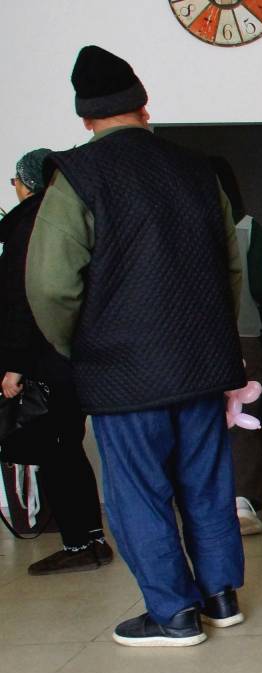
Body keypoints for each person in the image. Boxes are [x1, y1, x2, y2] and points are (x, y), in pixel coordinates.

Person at [25, 45, 246, 646]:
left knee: (138, 492)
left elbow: (50, 284)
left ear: (85, 116)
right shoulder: (199, 170)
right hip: (200, 365)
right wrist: (210, 338)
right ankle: (221, 596)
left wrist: (78, 345)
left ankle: (174, 614)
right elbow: (230, 269)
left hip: (123, 371)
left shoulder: (78, 176)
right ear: (143, 106)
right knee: (206, 483)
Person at [0, 148, 112, 574]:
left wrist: (15, 365)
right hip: (79, 357)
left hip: (45, 358)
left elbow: (23, 298)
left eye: (15, 180)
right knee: (68, 447)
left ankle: (79, 543)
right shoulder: (74, 219)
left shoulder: (29, 225)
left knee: (55, 450)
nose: (14, 187)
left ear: (27, 183)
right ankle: (92, 539)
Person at [211, 157, 262, 535]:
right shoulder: (248, 227)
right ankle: (243, 501)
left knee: (203, 420)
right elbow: (261, 285)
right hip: (244, 333)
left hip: (196, 339)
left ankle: (207, 504)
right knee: (245, 414)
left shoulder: (184, 224)